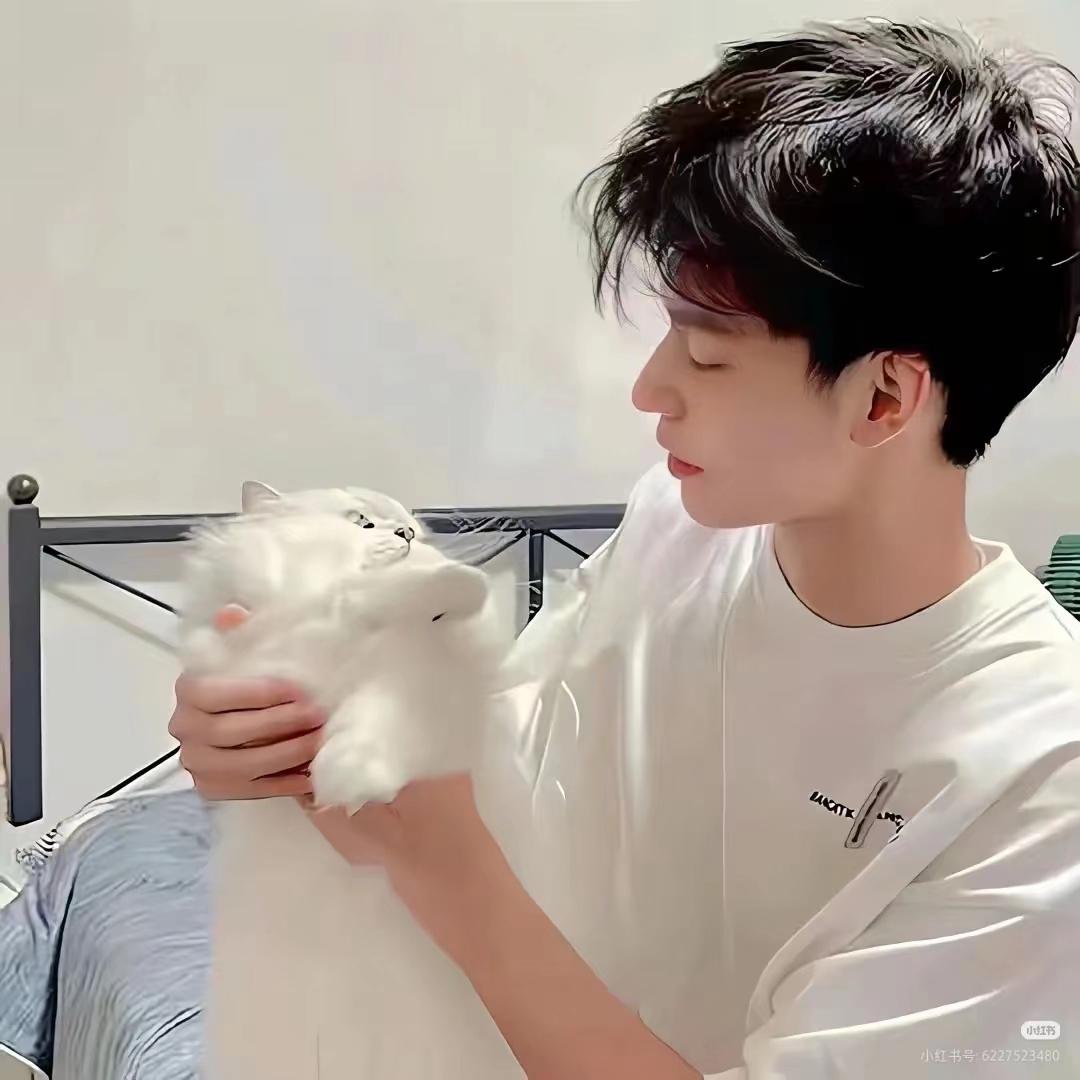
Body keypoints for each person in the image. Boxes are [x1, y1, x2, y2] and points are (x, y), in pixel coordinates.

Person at [169, 19, 1080, 1079]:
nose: (652, 389)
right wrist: (269, 727)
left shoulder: (1037, 769)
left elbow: (459, 847)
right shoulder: (677, 529)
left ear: (884, 397)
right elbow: (500, 752)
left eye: (707, 353)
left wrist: (451, 872)